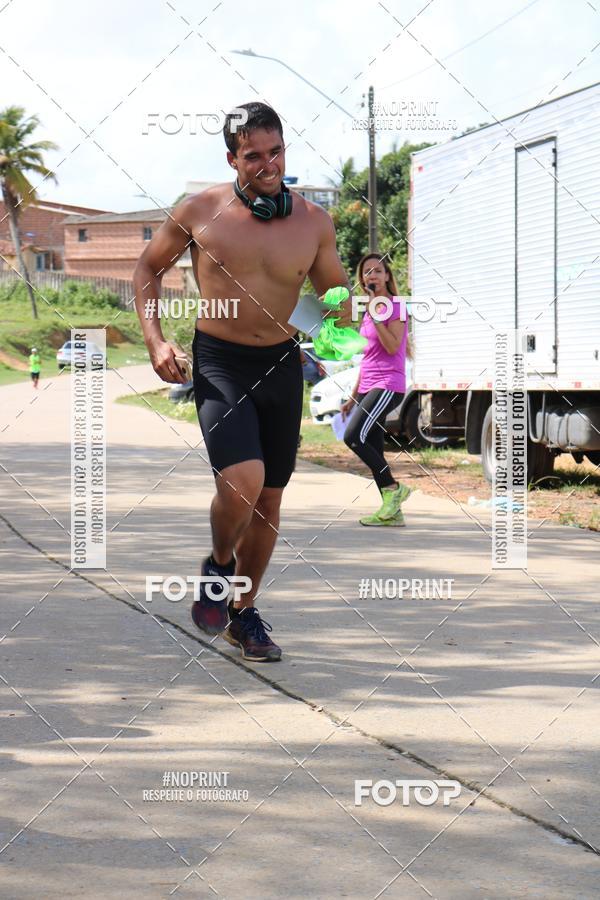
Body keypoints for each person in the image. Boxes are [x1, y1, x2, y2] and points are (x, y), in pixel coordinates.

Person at [133, 101, 352, 662]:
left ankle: (242, 613)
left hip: (281, 366)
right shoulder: (199, 211)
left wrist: (332, 333)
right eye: (252, 155)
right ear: (231, 158)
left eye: (275, 151)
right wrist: (157, 340)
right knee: (243, 479)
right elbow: (147, 269)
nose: (266, 164)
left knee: (270, 501)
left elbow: (334, 298)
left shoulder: (313, 221)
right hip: (221, 362)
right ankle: (220, 566)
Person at [340, 253, 412, 527]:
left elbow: (393, 347)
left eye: (377, 271)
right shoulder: (367, 314)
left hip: (388, 384)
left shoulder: (396, 307)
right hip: (369, 385)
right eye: (367, 272)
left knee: (353, 436)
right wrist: (352, 397)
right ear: (363, 280)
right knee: (372, 444)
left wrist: (376, 316)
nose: (372, 275)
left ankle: (394, 490)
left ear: (387, 277)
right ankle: (392, 511)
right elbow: (367, 358)